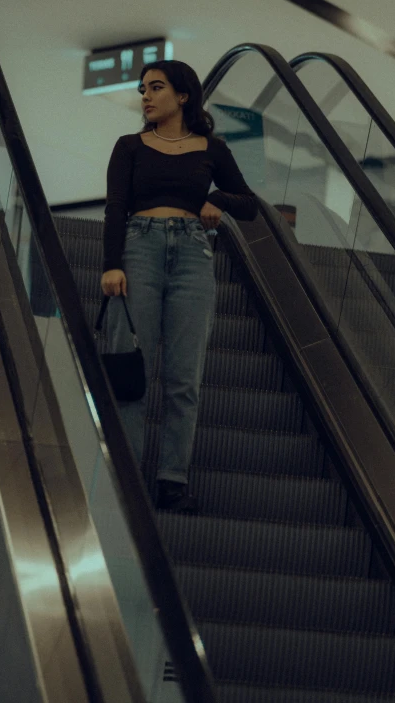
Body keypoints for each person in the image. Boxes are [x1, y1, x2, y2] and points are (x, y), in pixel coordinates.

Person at [100, 59, 257, 513]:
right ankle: (125, 477)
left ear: (183, 96)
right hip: (139, 250)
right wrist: (112, 264)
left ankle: (172, 477)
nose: (145, 96)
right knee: (134, 371)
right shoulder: (130, 146)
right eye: (142, 89)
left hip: (192, 254)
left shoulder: (212, 148)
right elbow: (115, 206)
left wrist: (217, 199)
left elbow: (249, 205)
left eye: (155, 87)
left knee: (183, 377)